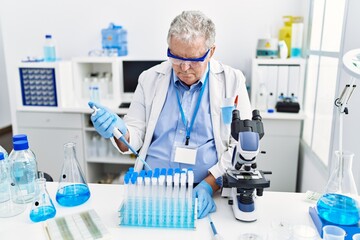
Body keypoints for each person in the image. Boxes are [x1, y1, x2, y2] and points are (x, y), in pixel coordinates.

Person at [89, 10, 252, 219]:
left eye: (193, 59)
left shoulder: (232, 81)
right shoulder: (149, 78)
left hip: (206, 190)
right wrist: (118, 130)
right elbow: (132, 137)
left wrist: (210, 185)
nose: (183, 68)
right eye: (175, 57)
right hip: (151, 189)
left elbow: (241, 146)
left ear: (211, 52)